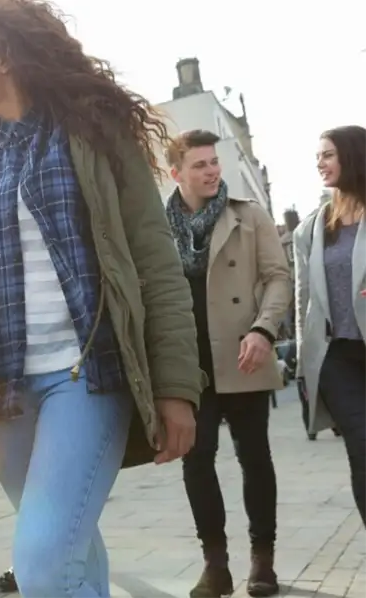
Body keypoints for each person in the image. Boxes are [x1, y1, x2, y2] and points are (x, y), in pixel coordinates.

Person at [0, 0, 203, 596]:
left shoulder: (95, 136)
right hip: (0, 392)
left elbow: (156, 262)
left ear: (4, 54)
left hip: (86, 376)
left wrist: (177, 386)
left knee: (43, 560)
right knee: (71, 551)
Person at [164, 130, 291, 598]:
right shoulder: (157, 227)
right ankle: (215, 565)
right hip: (187, 364)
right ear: (175, 173)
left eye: (214, 162)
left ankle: (263, 561)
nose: (212, 170)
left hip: (244, 355)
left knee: (255, 457)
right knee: (197, 463)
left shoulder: (248, 215)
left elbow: (278, 277)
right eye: (199, 165)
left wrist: (264, 329)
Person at [295, 125, 366, 526]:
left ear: (352, 156)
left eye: (328, 155)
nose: (320, 163)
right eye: (318, 156)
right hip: (337, 355)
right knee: (362, 445)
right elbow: (305, 301)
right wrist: (306, 369)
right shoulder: (312, 228)